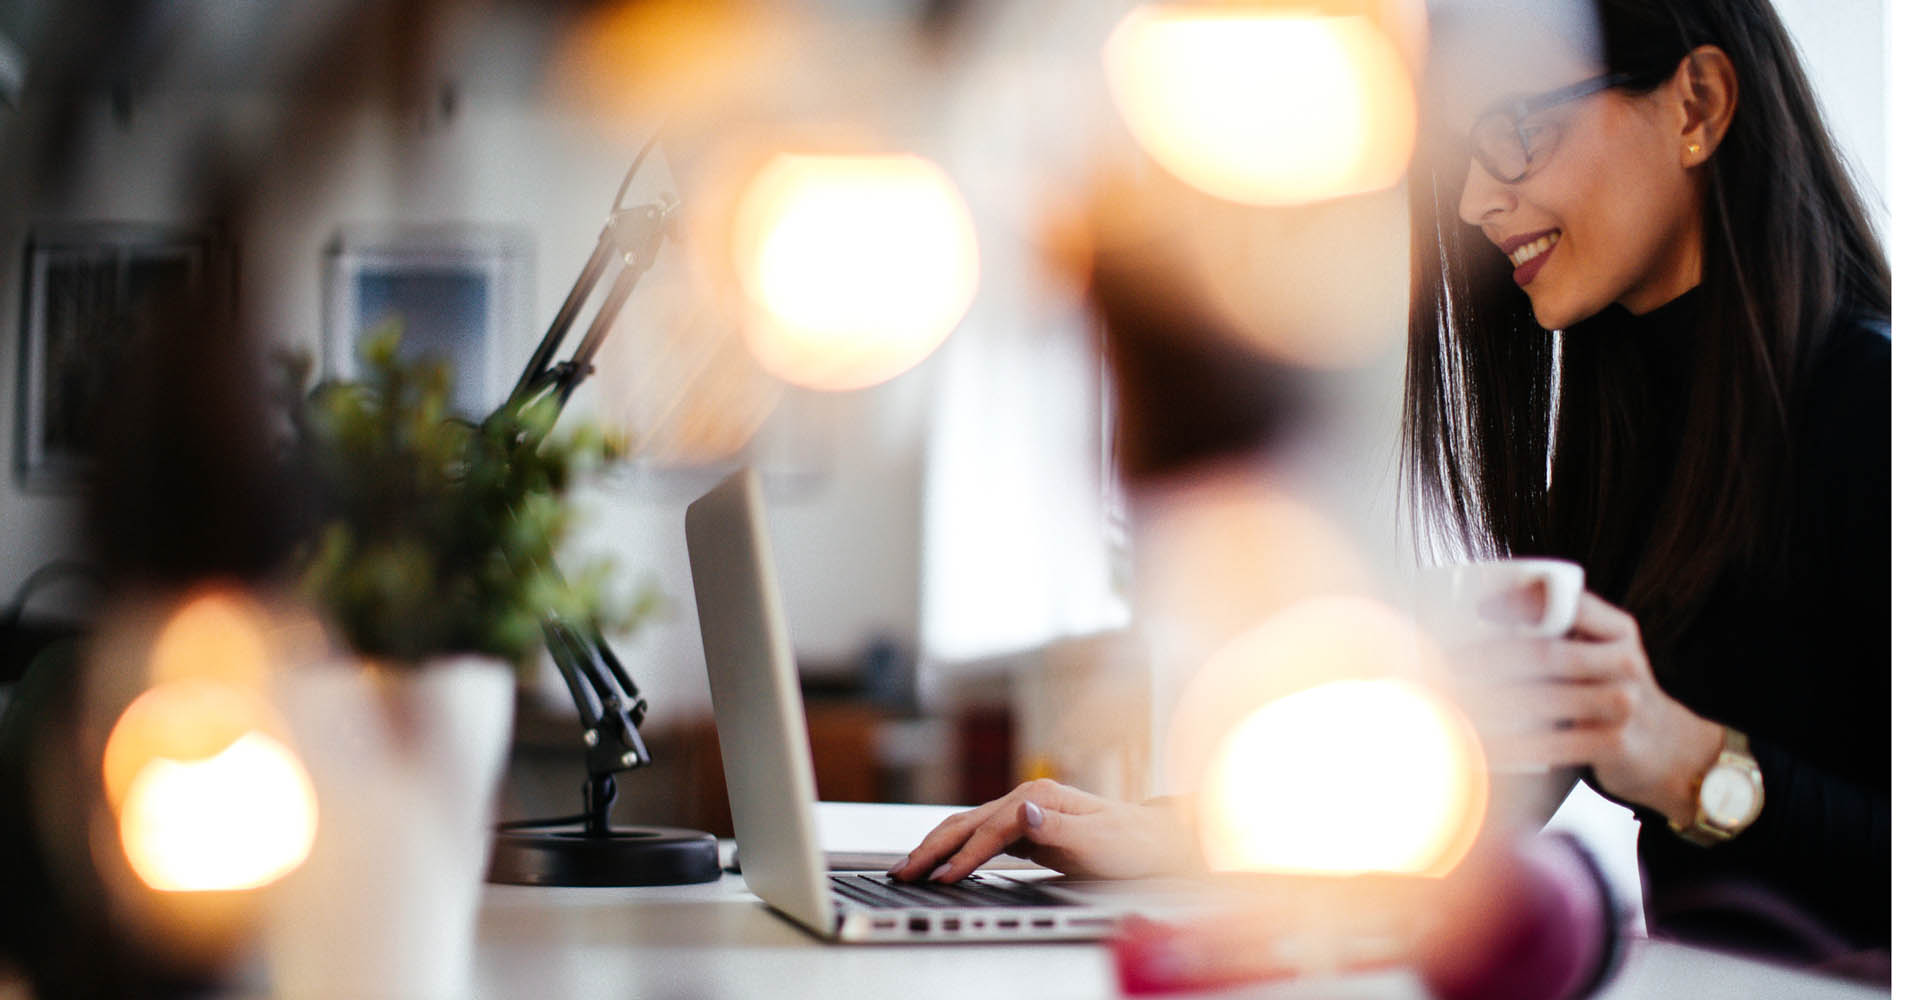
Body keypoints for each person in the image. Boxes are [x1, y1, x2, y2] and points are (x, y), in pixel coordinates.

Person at [890, 0, 1889, 964]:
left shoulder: (1878, 406)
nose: (1472, 201)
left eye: (1518, 130)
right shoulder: (1629, 427)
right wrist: (1169, 832)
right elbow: (1495, 779)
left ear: (1699, 104)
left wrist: (1691, 761)